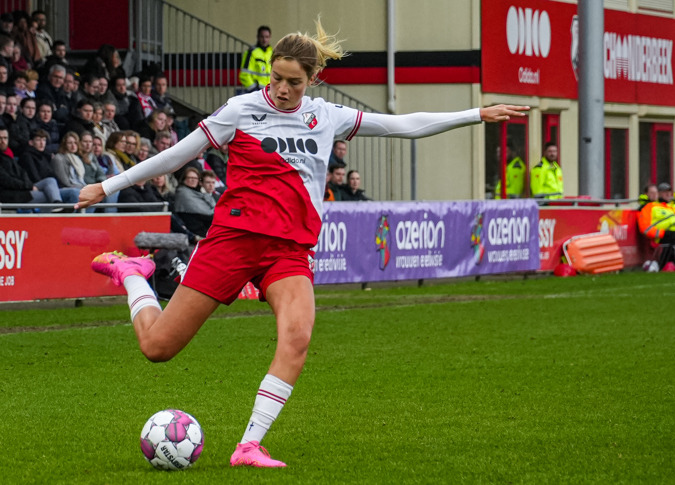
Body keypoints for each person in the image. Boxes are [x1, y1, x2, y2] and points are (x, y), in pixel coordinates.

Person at [75, 19, 527, 468]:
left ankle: (249, 445)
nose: (283, 89)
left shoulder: (326, 116)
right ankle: (133, 275)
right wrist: (108, 185)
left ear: (312, 81)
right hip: (231, 243)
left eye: (294, 82)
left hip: (288, 251)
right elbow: (177, 155)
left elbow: (401, 125)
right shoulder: (240, 109)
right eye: (276, 78)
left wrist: (473, 114)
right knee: (158, 348)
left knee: (297, 337)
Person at [0, 127, 67, 209]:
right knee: (47, 196)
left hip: (22, 190)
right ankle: (52, 216)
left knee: (50, 180)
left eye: (5, 138)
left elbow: (22, 173)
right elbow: (5, 180)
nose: (3, 141)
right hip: (9, 195)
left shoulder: (8, 155)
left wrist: (28, 185)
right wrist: (28, 186)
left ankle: (58, 205)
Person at [19, 129, 80, 205]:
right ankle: (57, 205)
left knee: (76, 192)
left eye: (44, 140)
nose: (42, 143)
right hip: (35, 188)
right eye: (38, 140)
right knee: (51, 181)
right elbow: (34, 177)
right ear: (31, 142)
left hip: (51, 188)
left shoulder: (45, 156)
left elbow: (52, 174)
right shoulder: (26, 156)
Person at [173, 166, 215, 237]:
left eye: (196, 178)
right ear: (184, 179)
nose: (193, 180)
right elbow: (205, 212)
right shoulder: (183, 192)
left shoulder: (199, 192)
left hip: (204, 224)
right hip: (194, 227)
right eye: (190, 178)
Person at [239, 26, 272, 92]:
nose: (264, 40)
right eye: (262, 37)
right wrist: (253, 89)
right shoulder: (251, 52)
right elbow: (244, 74)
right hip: (256, 91)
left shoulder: (272, 53)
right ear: (258, 37)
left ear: (270, 38)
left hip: (269, 91)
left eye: (267, 37)